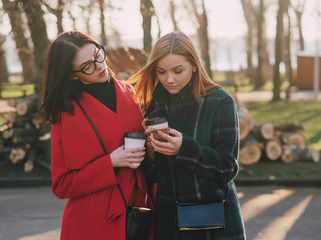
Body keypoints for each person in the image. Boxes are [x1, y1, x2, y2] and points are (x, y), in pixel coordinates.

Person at [128, 31, 246, 240]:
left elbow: (228, 168)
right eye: (161, 72)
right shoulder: (154, 106)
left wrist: (184, 149)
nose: (169, 79)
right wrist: (151, 151)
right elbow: (151, 175)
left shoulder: (220, 102)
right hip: (168, 221)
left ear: (194, 65)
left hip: (212, 221)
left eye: (178, 70)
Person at [42, 31, 148, 240]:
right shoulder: (66, 112)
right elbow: (61, 184)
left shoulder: (132, 94)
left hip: (140, 213)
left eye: (98, 54)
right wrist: (110, 162)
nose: (100, 66)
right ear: (72, 74)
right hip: (93, 225)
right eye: (87, 66)